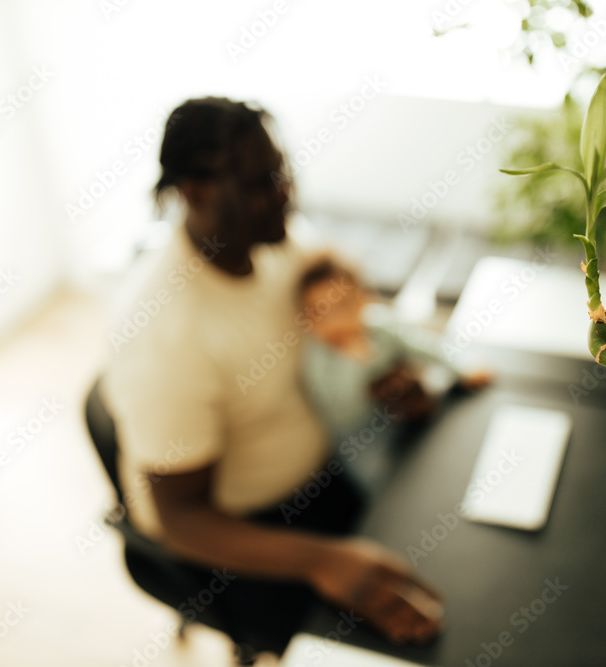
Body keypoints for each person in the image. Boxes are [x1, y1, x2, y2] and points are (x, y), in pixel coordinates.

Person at [97, 97, 443, 660]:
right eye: (260, 183)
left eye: (281, 172)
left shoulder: (276, 239)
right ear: (195, 191)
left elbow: (346, 321)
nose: (284, 193)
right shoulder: (162, 331)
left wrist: (390, 379)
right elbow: (180, 518)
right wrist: (321, 558)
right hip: (244, 536)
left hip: (331, 472)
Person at [297, 256, 490, 491]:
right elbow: (339, 410)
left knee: (437, 449)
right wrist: (355, 362)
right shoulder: (319, 359)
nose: (333, 322)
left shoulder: (380, 325)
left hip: (401, 414)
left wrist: (462, 368)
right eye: (319, 313)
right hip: (359, 435)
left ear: (364, 299)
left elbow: (422, 344)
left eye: (342, 307)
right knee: (381, 479)